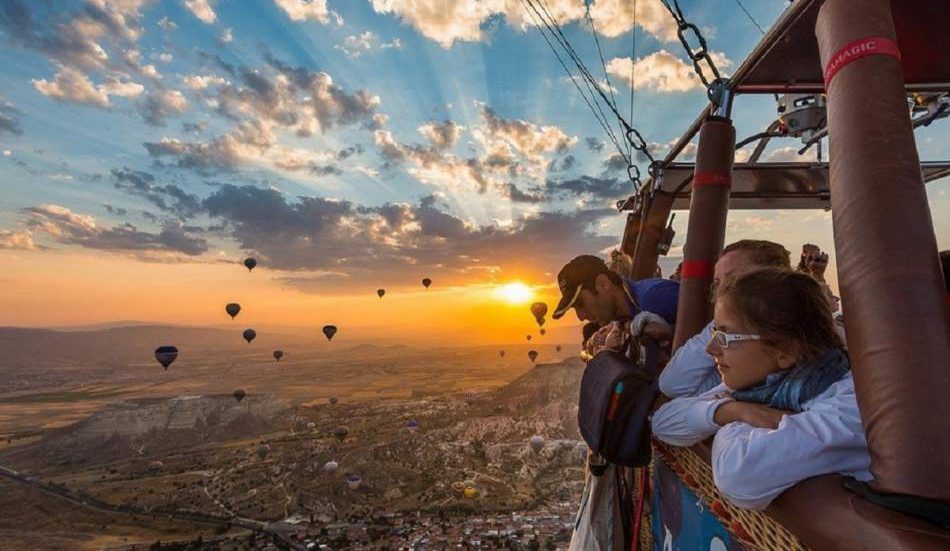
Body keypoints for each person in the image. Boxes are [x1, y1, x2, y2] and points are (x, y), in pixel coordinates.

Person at [651, 268, 871, 510]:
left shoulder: (849, 406)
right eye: (714, 332)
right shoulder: (765, 385)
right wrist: (737, 411)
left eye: (725, 336)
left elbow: (737, 474)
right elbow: (662, 423)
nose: (711, 349)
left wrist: (731, 421)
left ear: (784, 350)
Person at [659, 240, 791, 398]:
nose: (722, 291)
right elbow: (672, 385)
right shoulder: (722, 332)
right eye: (717, 283)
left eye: (733, 280)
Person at [552, 254, 679, 351]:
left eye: (580, 304)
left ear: (603, 283)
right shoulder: (626, 314)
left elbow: (697, 338)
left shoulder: (655, 296)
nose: (580, 317)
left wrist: (665, 331)